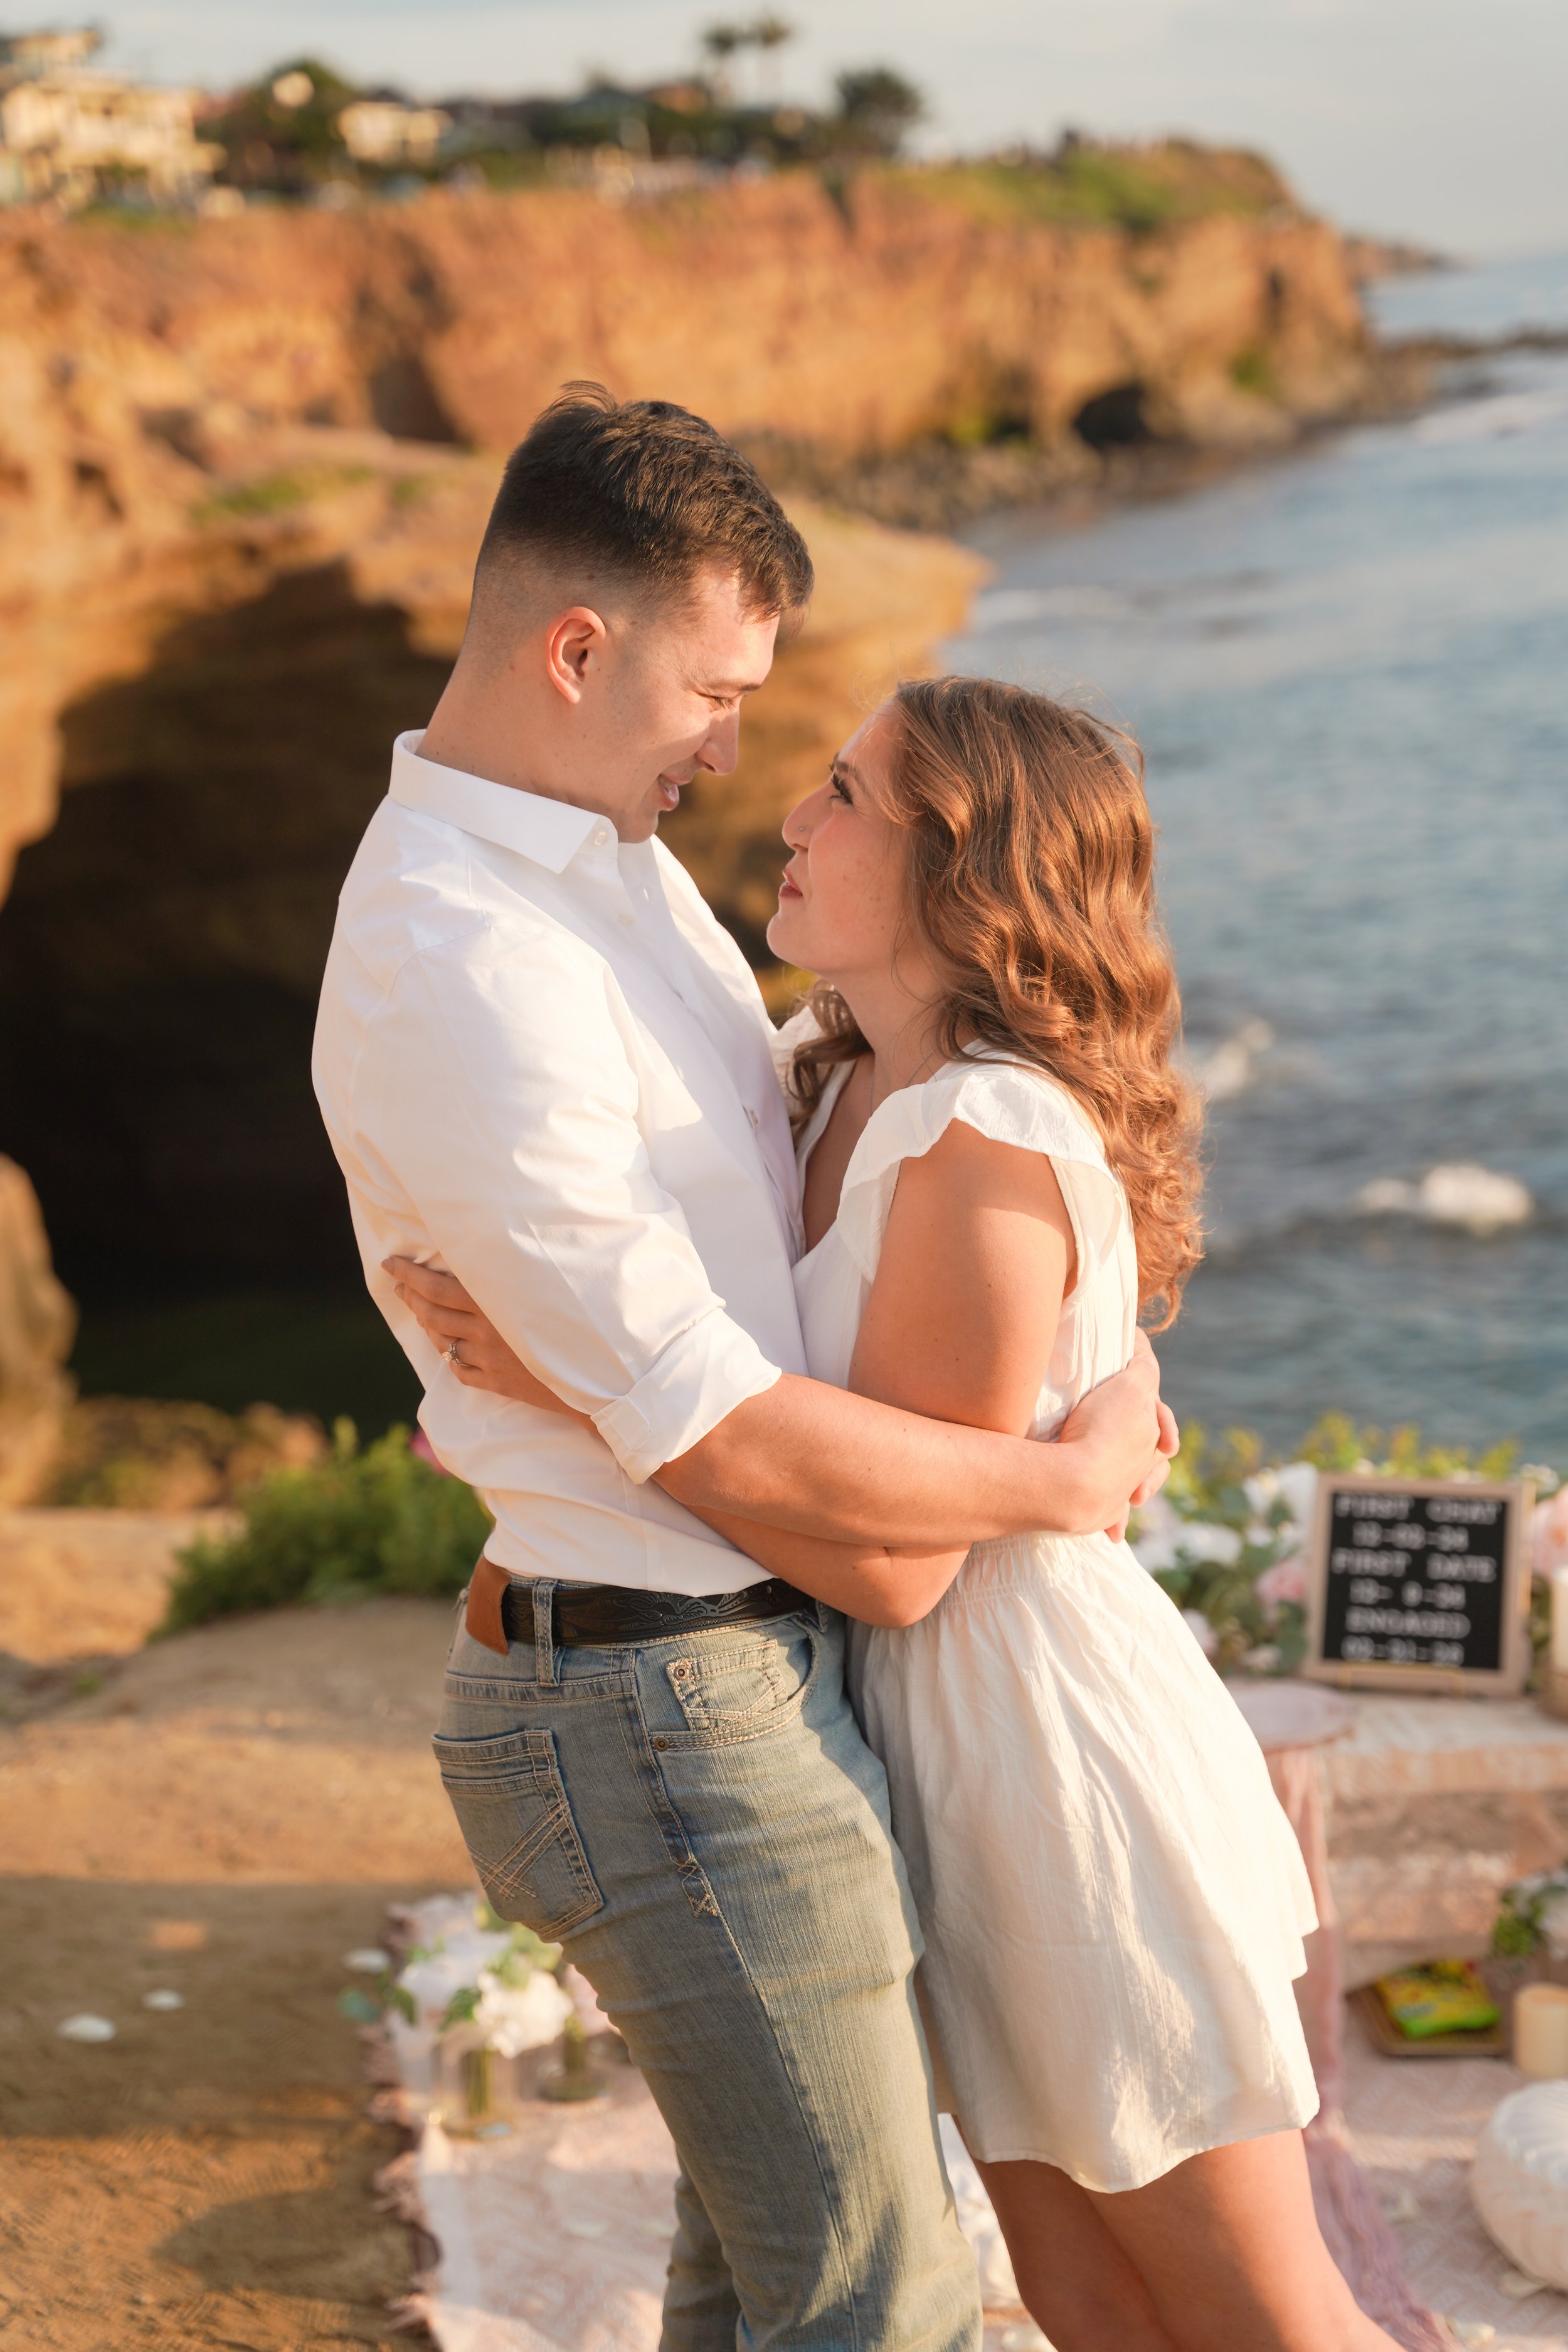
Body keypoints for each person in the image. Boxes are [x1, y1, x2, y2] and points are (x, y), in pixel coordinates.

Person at [313, 384, 1173, 2352]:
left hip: (718, 1666)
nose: (742, 749)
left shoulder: (607, 875)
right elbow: (699, 1412)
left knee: (756, 2281)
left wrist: (1099, 1342)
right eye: (712, 693)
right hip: (649, 1696)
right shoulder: (458, 948)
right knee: (888, 2302)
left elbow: (831, 1190)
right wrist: (1057, 1479)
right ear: (576, 647)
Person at [398, 675, 1406, 2352]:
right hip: (930, 1759)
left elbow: (905, 1566)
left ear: (966, 872)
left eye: (846, 795)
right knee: (1091, 2311)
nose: (791, 817)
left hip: (1052, 1759)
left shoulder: (977, 1128)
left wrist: (591, 1389)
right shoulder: (821, 1066)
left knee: (1268, 2324)